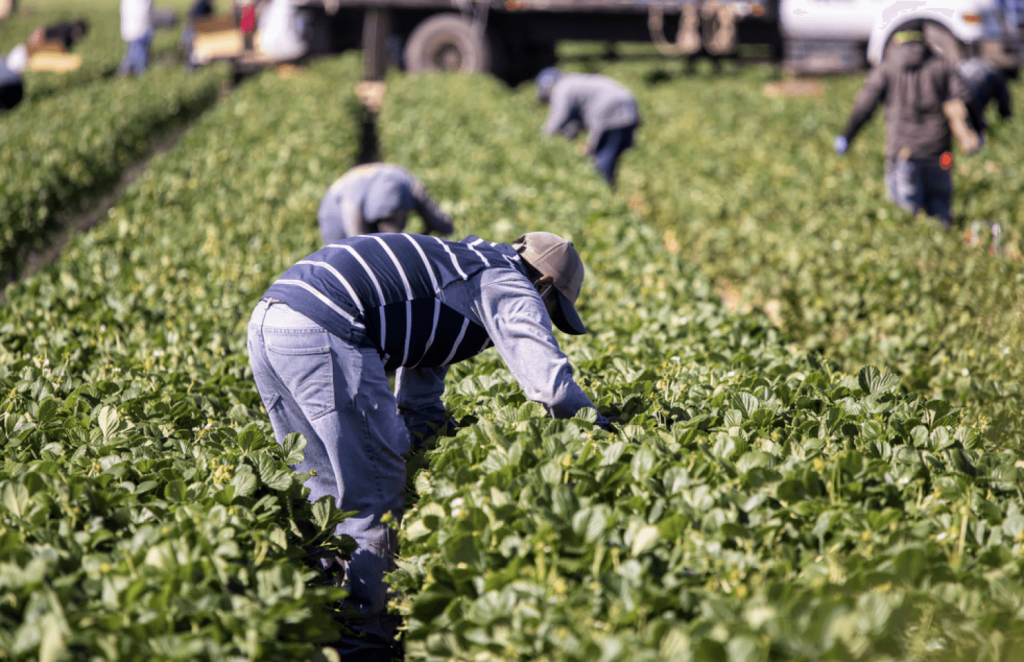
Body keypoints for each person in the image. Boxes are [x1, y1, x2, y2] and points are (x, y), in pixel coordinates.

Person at [247, 231, 609, 658]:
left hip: (271, 318)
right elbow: (552, 389)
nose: (546, 319)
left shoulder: (459, 265)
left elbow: (419, 398)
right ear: (544, 283)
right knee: (376, 494)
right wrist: (600, 430)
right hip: (325, 324)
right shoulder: (509, 282)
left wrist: (436, 439)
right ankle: (365, 638)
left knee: (322, 485)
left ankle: (326, 610)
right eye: (551, 310)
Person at [834, 20, 982, 228]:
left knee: (906, 221)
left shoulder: (886, 67)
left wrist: (847, 136)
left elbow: (864, 107)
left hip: (904, 153)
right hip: (939, 152)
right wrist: (978, 128)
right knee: (941, 215)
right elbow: (966, 98)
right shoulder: (941, 64)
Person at [536, 67, 641, 186]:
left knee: (601, 160)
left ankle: (603, 193)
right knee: (608, 158)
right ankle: (610, 191)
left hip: (612, 112)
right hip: (629, 108)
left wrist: (543, 138)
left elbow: (558, 118)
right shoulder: (574, 83)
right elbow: (574, 122)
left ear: (548, 87)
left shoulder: (562, 87)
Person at [318, 163, 455, 245]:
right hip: (335, 222)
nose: (391, 228)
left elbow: (440, 221)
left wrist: (427, 238)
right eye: (385, 220)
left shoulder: (406, 182)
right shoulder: (350, 201)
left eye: (394, 217)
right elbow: (356, 241)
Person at [958, 56, 1012, 134]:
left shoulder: (990, 68)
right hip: (972, 91)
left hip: (965, 87)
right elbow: (1004, 101)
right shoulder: (996, 72)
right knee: (976, 126)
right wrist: (1007, 118)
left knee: (968, 123)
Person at [119, 0, 154, 76]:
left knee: (133, 53)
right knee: (137, 59)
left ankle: (124, 73)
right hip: (138, 28)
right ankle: (126, 73)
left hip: (137, 27)